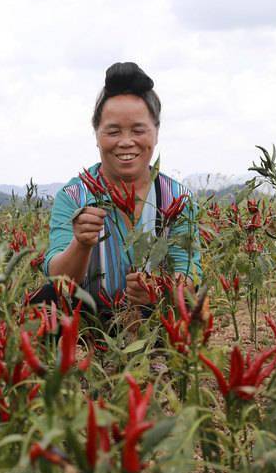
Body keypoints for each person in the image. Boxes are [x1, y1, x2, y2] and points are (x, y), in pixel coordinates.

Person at [40, 62, 202, 310]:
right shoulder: (74, 197)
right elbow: (58, 281)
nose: (126, 142)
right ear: (97, 135)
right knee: (44, 301)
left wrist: (157, 291)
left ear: (156, 133)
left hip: (155, 318)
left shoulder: (176, 199)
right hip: (87, 319)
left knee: (189, 310)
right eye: (113, 132)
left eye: (138, 130)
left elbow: (188, 273)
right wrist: (81, 243)